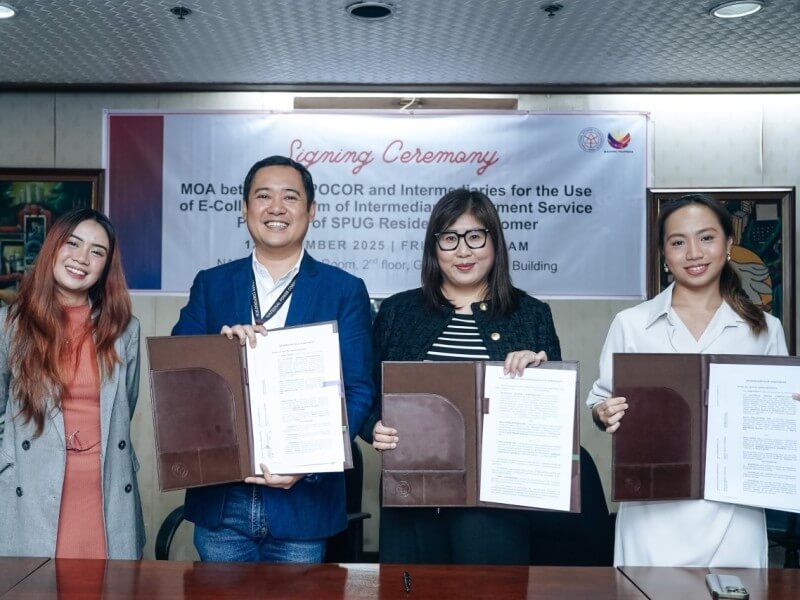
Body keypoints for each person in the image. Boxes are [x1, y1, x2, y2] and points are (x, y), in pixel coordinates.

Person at [364, 189, 611, 565]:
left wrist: (538, 375)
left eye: (475, 236)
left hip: (498, 502)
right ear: (434, 248)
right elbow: (367, 391)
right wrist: (372, 426)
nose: (463, 251)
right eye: (449, 238)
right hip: (412, 493)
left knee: (492, 589)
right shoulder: (398, 312)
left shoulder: (530, 314)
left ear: (494, 242)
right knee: (410, 589)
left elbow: (556, 424)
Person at [172, 155, 373, 563]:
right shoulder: (211, 285)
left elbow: (358, 390)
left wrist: (309, 464)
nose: (276, 208)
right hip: (223, 501)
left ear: (311, 210)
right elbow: (176, 373)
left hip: (303, 504)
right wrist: (219, 348)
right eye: (263, 196)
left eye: (290, 197)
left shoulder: (344, 290)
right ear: (245, 209)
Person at [587, 193, 797, 567]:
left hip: (735, 510)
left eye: (706, 237)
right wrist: (603, 413)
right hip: (652, 510)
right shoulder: (632, 324)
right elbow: (600, 403)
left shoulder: (765, 329)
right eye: (678, 242)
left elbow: (779, 418)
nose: (694, 253)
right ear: (664, 255)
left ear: (729, 245)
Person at [0, 208, 143, 559]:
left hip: (104, 488)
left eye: (97, 252)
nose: (82, 258)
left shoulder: (124, 329)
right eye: (73, 243)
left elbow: (123, 406)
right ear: (53, 247)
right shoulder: (10, 325)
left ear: (106, 266)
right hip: (29, 488)